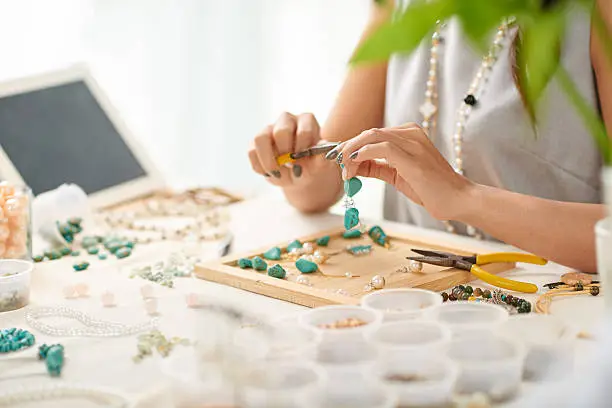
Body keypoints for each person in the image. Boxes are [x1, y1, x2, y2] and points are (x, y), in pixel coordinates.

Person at [248, 0, 612, 273]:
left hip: (557, 302)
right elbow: (323, 184)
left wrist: (464, 198)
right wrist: (295, 162)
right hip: (418, 296)